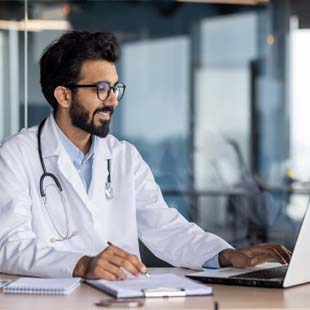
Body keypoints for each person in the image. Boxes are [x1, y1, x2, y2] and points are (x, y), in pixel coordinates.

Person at [0, 31, 291, 280]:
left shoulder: (124, 156)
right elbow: (8, 244)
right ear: (64, 96)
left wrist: (226, 255)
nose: (112, 100)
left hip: (121, 299)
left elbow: (165, 227)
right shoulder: (17, 155)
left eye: (115, 88)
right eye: (101, 89)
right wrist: (82, 264)